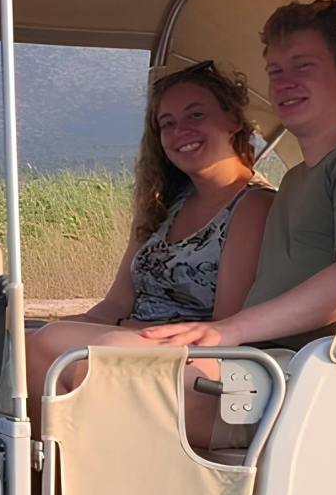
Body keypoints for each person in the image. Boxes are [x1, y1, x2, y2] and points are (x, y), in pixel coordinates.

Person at [25, 61, 273, 412]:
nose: (180, 131)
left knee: (58, 346)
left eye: (196, 115)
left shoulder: (253, 205)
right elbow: (115, 306)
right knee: (21, 343)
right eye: (167, 123)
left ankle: (48, 450)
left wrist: (122, 331)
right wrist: (40, 330)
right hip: (136, 340)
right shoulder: (166, 205)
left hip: (202, 360)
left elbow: (224, 325)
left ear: (232, 120)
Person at [142, 0, 336, 355]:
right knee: (60, 344)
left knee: (66, 351)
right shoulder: (294, 179)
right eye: (275, 72)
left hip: (297, 366)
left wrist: (230, 330)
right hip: (256, 355)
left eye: (303, 67)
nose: (284, 83)